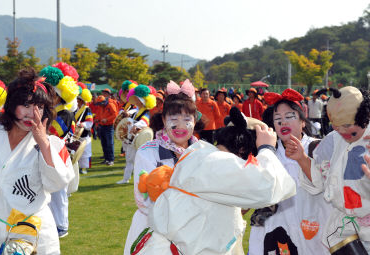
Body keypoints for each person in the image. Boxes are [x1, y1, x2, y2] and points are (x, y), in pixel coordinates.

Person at [129, 107, 297, 254]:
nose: (248, 166)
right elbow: (268, 187)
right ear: (243, 149)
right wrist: (266, 148)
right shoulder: (217, 163)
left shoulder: (204, 157)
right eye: (252, 160)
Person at [0, 68, 74, 254]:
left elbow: (58, 182)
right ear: (11, 105)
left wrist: (43, 142)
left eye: (39, 107)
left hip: (34, 232)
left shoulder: (53, 144)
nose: (32, 113)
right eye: (26, 105)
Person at [286, 86, 370, 252]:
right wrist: (302, 159)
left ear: (364, 118)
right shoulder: (333, 140)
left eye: (347, 126)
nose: (342, 131)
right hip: (345, 232)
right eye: (337, 126)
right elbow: (319, 181)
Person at [248, 88, 332, 255]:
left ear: (302, 122)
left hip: (314, 225)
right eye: (277, 119)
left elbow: (326, 185)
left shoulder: (319, 147)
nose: (283, 122)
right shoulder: (268, 154)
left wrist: (302, 158)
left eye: (289, 117)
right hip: (276, 227)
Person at [123, 81, 201, 254]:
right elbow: (143, 199)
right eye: (174, 119)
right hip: (153, 231)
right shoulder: (148, 152)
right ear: (164, 119)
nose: (180, 125)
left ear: (195, 121)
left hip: (194, 231)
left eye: (187, 119)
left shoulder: (202, 152)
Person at [39, 63, 80, 238]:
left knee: (59, 194)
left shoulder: (63, 114)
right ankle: (54, 224)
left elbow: (53, 133)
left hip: (59, 156)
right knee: (52, 192)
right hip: (54, 155)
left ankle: (61, 225)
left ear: (58, 95)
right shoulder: (57, 112)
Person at [116, 84, 156, 184]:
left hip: (140, 140)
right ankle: (126, 179)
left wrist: (136, 125)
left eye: (138, 100)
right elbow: (129, 114)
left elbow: (145, 121)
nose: (136, 102)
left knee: (141, 160)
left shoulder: (146, 112)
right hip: (131, 139)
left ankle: (143, 179)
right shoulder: (135, 111)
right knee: (129, 159)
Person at [75, 82, 93, 174]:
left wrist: (83, 124)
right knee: (76, 150)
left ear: (81, 100)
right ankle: (76, 166)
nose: (76, 101)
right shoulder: (74, 109)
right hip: (75, 134)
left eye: (77, 99)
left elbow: (90, 122)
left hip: (85, 133)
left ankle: (84, 168)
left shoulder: (87, 109)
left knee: (85, 151)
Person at [96, 93, 118, 166]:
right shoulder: (100, 106)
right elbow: (99, 114)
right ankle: (106, 159)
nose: (99, 105)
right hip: (102, 126)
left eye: (100, 104)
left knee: (109, 143)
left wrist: (107, 119)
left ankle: (111, 160)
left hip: (109, 126)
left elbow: (115, 114)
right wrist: (97, 120)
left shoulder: (110, 105)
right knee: (104, 143)